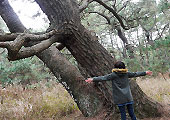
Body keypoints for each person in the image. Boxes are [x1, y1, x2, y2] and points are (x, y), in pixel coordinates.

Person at [85, 61, 152, 120]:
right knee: (132, 113)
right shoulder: (126, 74)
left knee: (123, 114)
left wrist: (93, 79)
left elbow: (103, 78)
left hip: (120, 98)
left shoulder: (113, 75)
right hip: (128, 97)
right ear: (124, 67)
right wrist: (145, 72)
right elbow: (136, 74)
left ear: (115, 68)